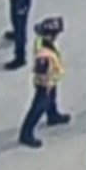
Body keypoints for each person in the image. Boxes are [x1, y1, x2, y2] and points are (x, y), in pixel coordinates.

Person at [17, 16, 71, 148]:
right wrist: (46, 85)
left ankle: (53, 115)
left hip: (51, 80)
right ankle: (26, 133)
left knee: (52, 99)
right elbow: (41, 72)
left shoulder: (42, 41)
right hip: (45, 84)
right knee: (38, 107)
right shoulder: (43, 56)